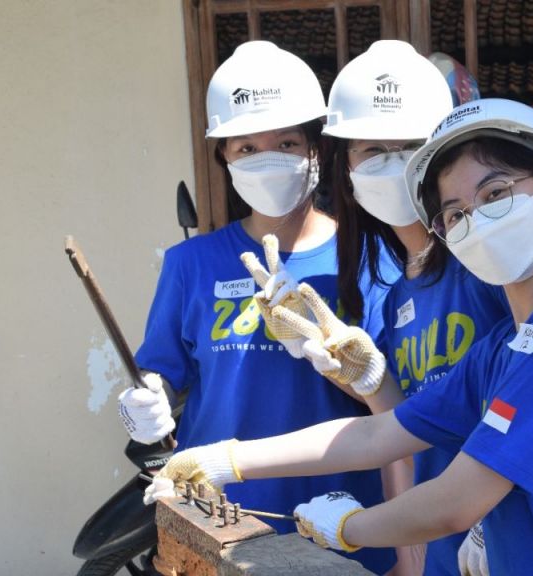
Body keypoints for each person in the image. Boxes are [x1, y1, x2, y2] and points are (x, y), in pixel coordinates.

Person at [144, 98, 533, 575]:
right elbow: (379, 434)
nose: (475, 219)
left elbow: (458, 502)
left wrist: (347, 526)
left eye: (494, 194)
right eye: (455, 213)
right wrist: (226, 459)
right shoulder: (504, 348)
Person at [116, 41, 397, 574]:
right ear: (222, 154)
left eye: (287, 142)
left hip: (344, 523)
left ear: (317, 148)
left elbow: (400, 407)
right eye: (246, 147)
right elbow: (163, 370)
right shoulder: (189, 263)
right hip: (218, 523)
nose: (267, 159)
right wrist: (146, 397)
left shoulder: (370, 259)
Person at [319, 40, 510, 576]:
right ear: (347, 168)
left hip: (512, 535)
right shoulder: (400, 291)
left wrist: (484, 516)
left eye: (410, 145)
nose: (392, 164)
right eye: (371, 151)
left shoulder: (486, 262)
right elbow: (408, 436)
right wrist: (377, 386)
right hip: (446, 545)